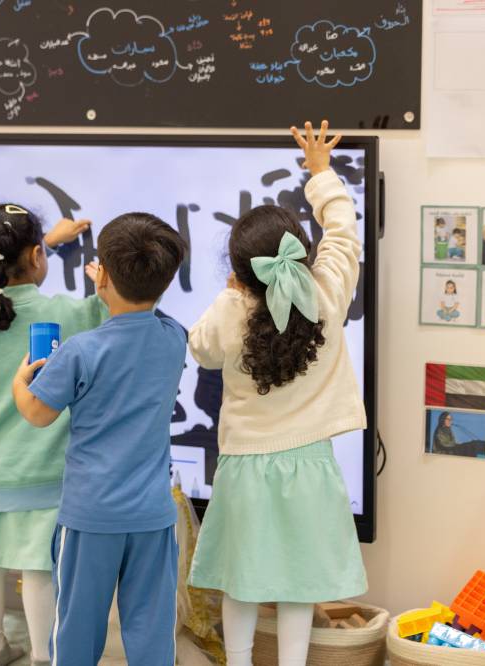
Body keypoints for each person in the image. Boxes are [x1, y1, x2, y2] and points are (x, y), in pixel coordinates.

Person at [187, 121, 368, 666]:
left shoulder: (231, 309)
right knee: (298, 581)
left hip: (244, 465)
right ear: (301, 252)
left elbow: (200, 349)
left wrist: (229, 297)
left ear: (239, 272)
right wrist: (321, 172)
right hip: (309, 463)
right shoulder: (328, 289)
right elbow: (344, 231)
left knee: (241, 578)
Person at [12, 212, 188, 666]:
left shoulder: (80, 351)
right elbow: (150, 312)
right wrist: (124, 285)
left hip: (90, 516)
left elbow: (37, 413)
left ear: (102, 276)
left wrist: (19, 382)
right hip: (151, 516)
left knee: (76, 629)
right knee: (152, 632)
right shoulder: (174, 339)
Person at [0, 205, 100, 665]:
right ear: (37, 255)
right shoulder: (68, 313)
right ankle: (45, 655)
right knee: (38, 566)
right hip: (47, 471)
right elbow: (109, 316)